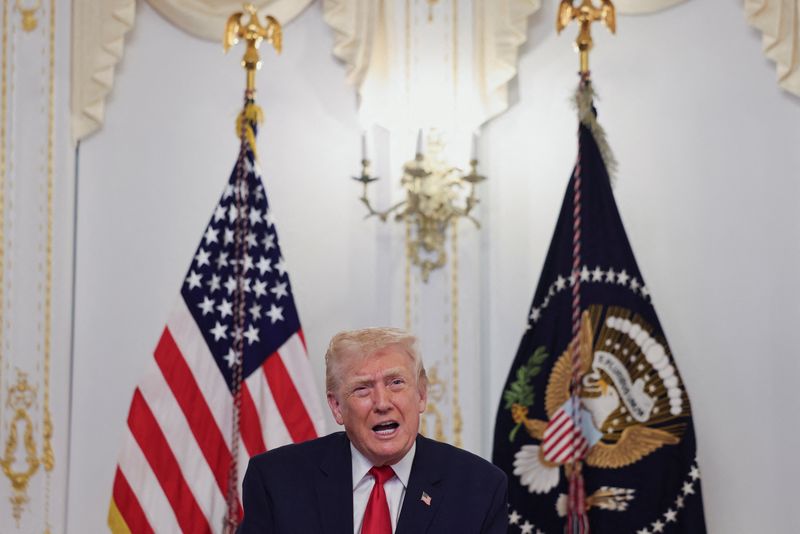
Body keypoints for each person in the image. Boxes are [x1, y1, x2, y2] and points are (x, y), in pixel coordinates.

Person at [238, 327, 508, 533]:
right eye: (362, 388)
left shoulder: (479, 488)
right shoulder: (276, 480)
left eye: (396, 383)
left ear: (422, 395)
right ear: (336, 407)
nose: (382, 403)